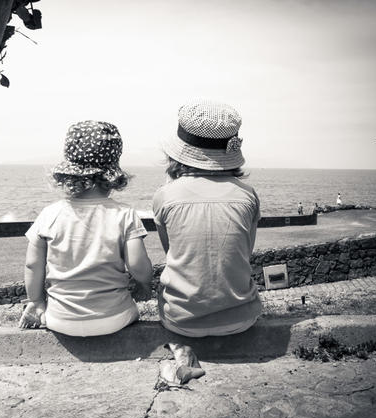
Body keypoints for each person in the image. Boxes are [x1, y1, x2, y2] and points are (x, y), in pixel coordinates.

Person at [18, 120, 153, 337]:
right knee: (129, 310)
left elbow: (32, 265)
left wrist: (36, 302)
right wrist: (144, 286)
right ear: (113, 174)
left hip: (59, 320)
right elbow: (138, 265)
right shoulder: (124, 215)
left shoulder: (49, 215)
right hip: (115, 318)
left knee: (50, 308)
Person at [152, 100, 262, 338]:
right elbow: (245, 252)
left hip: (181, 322)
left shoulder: (165, 195)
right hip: (242, 319)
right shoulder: (248, 195)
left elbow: (172, 253)